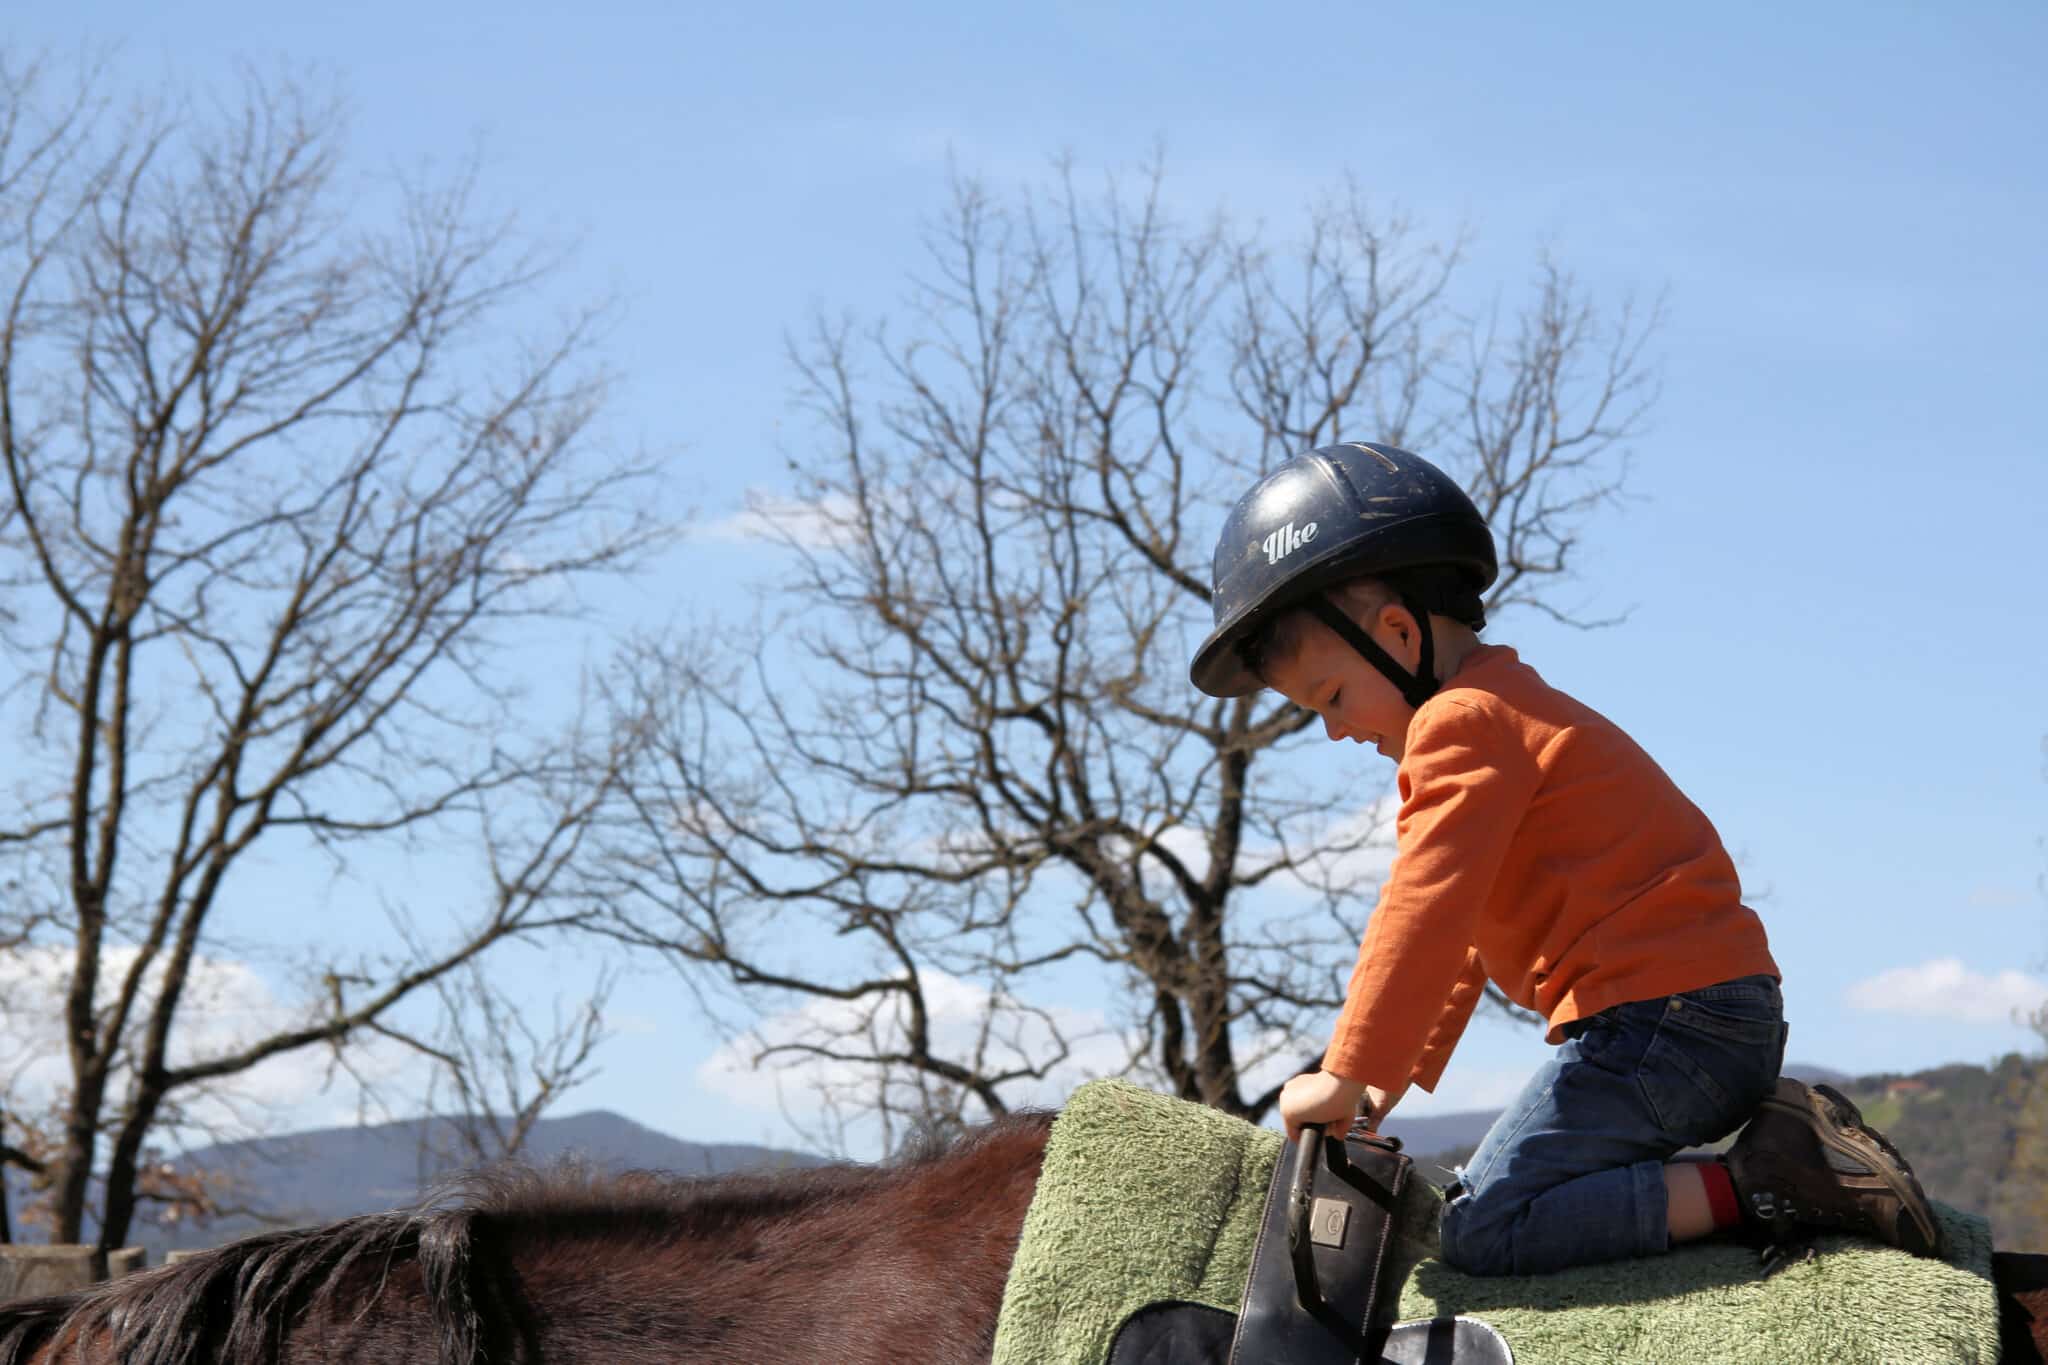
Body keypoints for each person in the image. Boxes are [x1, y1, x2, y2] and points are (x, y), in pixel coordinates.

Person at [1188, 441, 1942, 1277]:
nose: (1334, 728)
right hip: (1701, 1015)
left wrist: (1346, 1067)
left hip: (1663, 1026)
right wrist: (1378, 1086)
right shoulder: (1509, 710)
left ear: (1398, 635)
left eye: (1331, 697)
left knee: (1487, 1224)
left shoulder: (1459, 723)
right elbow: (1463, 937)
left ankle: (1774, 1177)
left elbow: (1423, 906)